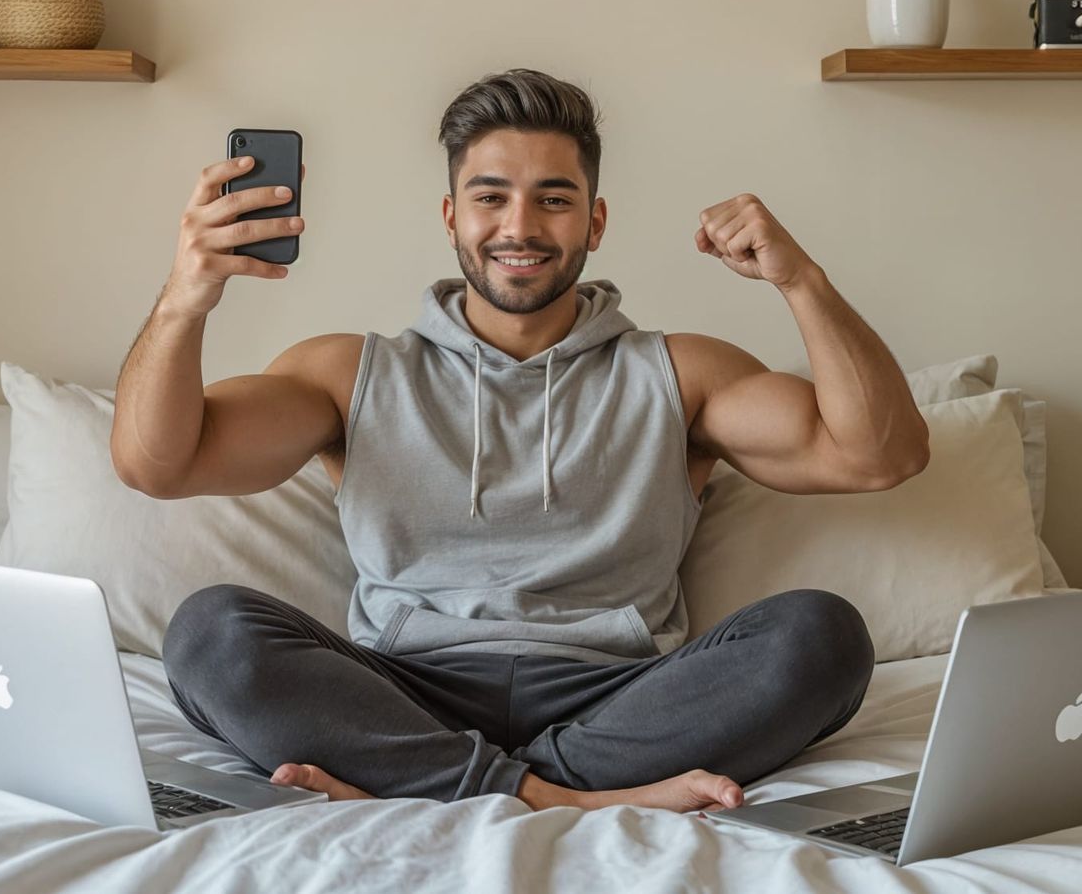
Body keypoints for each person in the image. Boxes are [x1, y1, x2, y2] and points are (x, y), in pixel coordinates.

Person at [111, 68, 930, 815]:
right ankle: (565, 794)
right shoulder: (350, 372)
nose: (520, 226)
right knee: (210, 633)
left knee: (821, 636)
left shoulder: (680, 373)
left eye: (554, 198)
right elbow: (158, 462)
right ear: (451, 216)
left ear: (595, 221)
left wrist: (800, 279)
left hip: (618, 695)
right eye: (491, 197)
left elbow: (878, 455)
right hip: (404, 693)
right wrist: (186, 299)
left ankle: (450, 781)